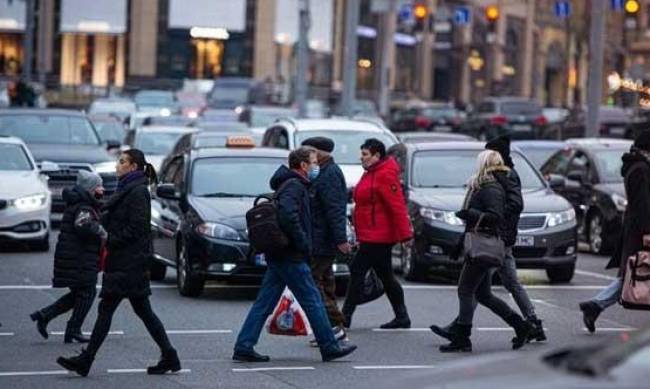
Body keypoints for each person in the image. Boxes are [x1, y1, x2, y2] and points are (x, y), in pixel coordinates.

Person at [57, 149, 180, 377]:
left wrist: (110, 238)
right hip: (126, 261)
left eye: (122, 162)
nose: (117, 166)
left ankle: (86, 359)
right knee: (142, 311)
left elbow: (138, 227)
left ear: (133, 167)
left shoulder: (137, 192)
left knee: (108, 310)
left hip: (129, 262)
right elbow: (117, 217)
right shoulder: (126, 189)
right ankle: (169, 355)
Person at [233, 147, 357, 363]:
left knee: (264, 303)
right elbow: (289, 216)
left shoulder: (289, 184)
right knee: (313, 300)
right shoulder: (294, 186)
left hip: (281, 254)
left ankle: (244, 345)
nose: (316, 167)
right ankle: (329, 346)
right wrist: (303, 243)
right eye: (313, 163)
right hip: (291, 254)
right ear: (303, 166)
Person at [431, 137, 546, 343]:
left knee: (482, 287)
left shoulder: (499, 180)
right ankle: (521, 325)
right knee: (482, 291)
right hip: (490, 238)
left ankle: (528, 323)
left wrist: (486, 221)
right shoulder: (490, 180)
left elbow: (506, 209)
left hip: (492, 240)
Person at [580, 132, 650, 332]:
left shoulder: (637, 167)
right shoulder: (641, 170)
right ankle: (595, 305)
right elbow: (642, 206)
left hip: (635, 230)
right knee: (634, 272)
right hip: (640, 232)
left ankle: (595, 305)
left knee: (632, 274)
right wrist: (647, 232)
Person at [341, 138, 413, 329]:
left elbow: (397, 206)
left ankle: (345, 317)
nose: (361, 158)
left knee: (358, 270)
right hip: (370, 233)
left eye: (365, 154)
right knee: (386, 276)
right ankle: (402, 316)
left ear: (377, 156)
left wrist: (406, 236)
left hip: (379, 235)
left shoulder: (385, 174)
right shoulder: (371, 172)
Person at [30, 171, 106, 344]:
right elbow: (83, 226)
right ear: (90, 189)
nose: (102, 189)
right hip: (79, 259)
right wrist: (102, 232)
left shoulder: (80, 203)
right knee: (87, 293)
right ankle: (73, 329)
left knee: (80, 294)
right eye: (99, 186)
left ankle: (45, 316)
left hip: (76, 257)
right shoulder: (84, 206)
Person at [301, 137, 352, 346]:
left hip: (322, 240)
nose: (308, 156)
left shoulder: (329, 174)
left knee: (313, 284)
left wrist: (341, 239)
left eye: (310, 151)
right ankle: (333, 328)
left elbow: (335, 210)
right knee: (325, 284)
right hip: (319, 238)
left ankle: (334, 327)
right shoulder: (322, 171)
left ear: (320, 152)